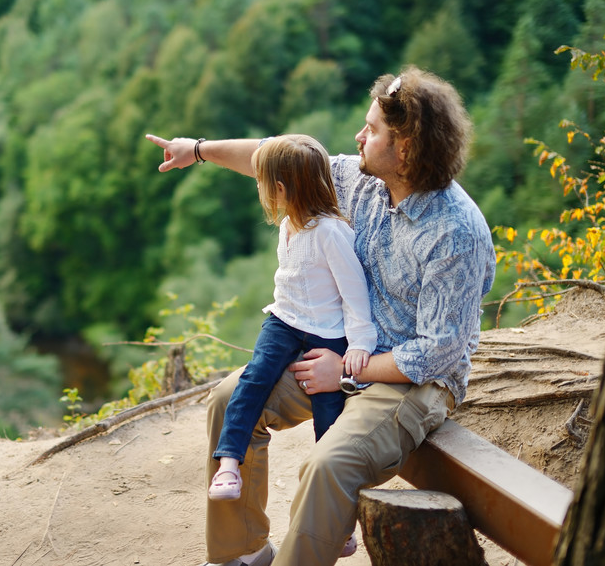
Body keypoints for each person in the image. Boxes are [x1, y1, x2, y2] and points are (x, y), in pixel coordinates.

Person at [146, 65, 496, 566]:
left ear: (405, 149)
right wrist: (198, 150)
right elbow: (276, 157)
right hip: (338, 348)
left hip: (411, 381)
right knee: (228, 400)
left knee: (328, 465)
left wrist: (348, 372)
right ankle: (240, 554)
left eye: (371, 129)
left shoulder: (455, 231)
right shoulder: (361, 181)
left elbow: (437, 352)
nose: (359, 136)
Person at [209, 135, 377, 515]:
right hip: (284, 320)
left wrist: (359, 343)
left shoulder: (330, 233)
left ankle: (336, 513)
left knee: (329, 412)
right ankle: (229, 463)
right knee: (255, 376)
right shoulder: (288, 226)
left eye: (261, 180)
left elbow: (354, 292)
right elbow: (289, 283)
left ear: (281, 189)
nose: (258, 186)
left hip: (327, 330)